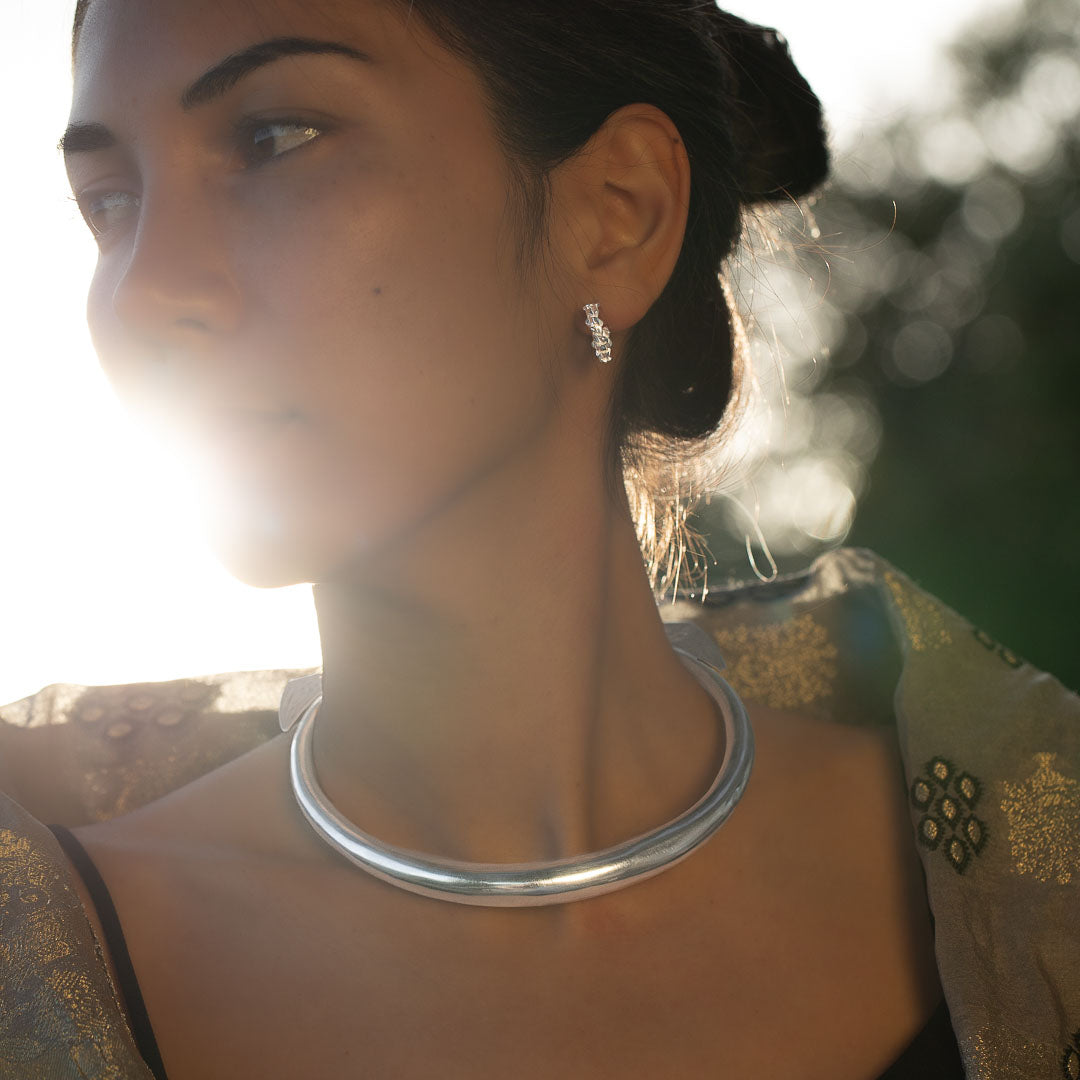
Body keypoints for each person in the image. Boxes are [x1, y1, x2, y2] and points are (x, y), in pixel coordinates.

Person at [1, 0, 1076, 1077]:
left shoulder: (1040, 858)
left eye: (274, 138)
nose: (141, 293)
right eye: (109, 199)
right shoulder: (32, 978)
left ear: (619, 213)